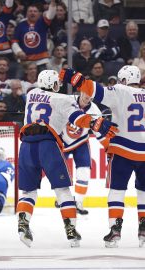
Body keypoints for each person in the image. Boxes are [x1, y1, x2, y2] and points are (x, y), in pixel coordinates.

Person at [16, 70, 118, 248]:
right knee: (62, 190)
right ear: (55, 84)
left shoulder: (31, 94)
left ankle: (23, 225)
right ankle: (71, 230)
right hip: (48, 145)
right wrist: (94, 123)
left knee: (28, 192)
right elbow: (77, 118)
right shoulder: (64, 100)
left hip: (25, 146)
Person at [59, 65, 145, 248]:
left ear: (122, 79)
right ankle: (143, 229)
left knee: (117, 190)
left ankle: (115, 230)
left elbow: (92, 90)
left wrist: (75, 78)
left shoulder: (121, 90)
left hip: (122, 150)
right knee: (143, 192)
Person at [59, 92, 103, 215]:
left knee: (84, 172)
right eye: (85, 94)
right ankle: (62, 198)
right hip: (63, 141)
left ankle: (79, 202)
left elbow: (99, 132)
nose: (86, 98)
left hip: (81, 142)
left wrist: (106, 144)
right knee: (58, 171)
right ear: (80, 92)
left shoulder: (95, 110)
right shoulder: (67, 100)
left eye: (90, 96)